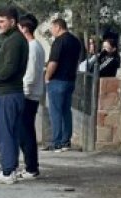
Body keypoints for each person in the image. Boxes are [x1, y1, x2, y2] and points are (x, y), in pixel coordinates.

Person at [0, 6, 29, 185]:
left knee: (4, 134)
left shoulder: (14, 41)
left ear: (12, 21)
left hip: (7, 93)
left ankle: (8, 171)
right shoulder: (16, 39)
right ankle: (10, 170)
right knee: (10, 133)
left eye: (2, 21)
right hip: (12, 93)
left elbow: (9, 68)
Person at [44, 17, 83, 152]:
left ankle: (57, 142)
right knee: (66, 111)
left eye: (52, 28)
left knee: (55, 112)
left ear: (58, 27)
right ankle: (66, 141)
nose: (51, 31)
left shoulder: (59, 41)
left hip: (57, 80)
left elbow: (53, 62)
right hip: (70, 80)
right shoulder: (75, 41)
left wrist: (47, 77)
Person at [17, 14, 46, 180]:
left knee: (25, 132)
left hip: (28, 95)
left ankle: (31, 168)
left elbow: (31, 74)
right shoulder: (36, 46)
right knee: (26, 131)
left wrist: (24, 92)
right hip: (31, 94)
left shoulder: (33, 47)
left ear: (24, 28)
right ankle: (30, 166)